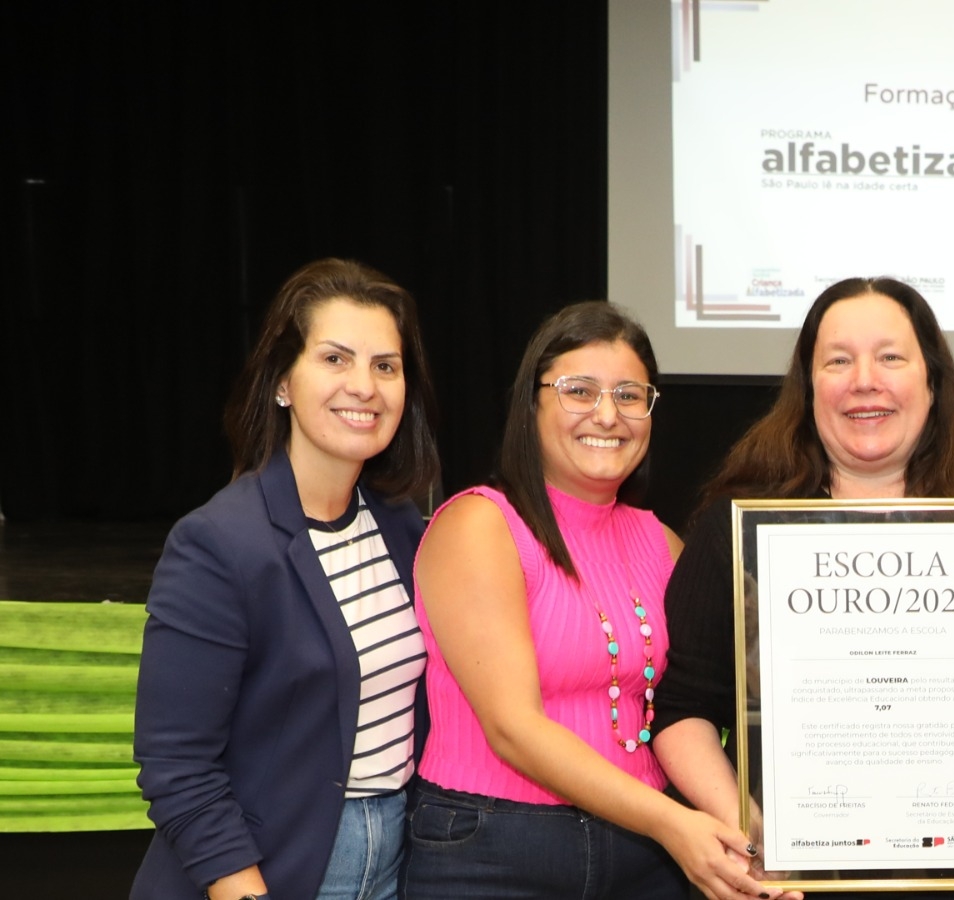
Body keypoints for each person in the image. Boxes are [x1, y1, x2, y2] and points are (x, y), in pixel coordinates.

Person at [651, 277, 954, 898]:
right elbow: (683, 710)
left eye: (890, 357)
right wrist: (749, 829)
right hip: (795, 883)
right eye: (838, 361)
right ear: (809, 387)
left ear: (932, 383)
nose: (865, 380)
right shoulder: (736, 532)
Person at [401, 301, 773, 900]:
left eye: (630, 395)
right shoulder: (480, 525)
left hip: (645, 855)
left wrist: (755, 827)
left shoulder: (663, 542)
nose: (607, 414)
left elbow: (714, 699)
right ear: (531, 405)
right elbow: (514, 729)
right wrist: (673, 824)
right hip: (494, 850)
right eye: (579, 391)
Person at [132, 258, 441, 900]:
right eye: (335, 359)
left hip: (396, 860)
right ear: (282, 382)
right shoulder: (218, 542)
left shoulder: (405, 529)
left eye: (386, 366)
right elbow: (178, 765)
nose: (364, 386)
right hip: (270, 870)